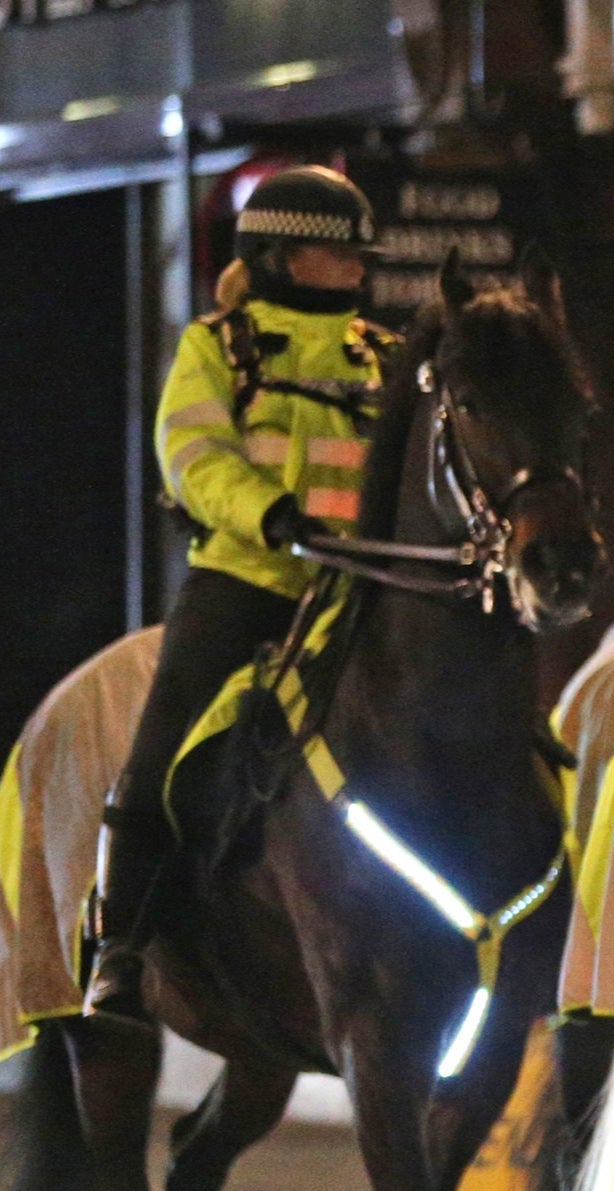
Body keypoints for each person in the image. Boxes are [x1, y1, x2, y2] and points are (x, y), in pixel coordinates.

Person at [86, 165, 393, 1026]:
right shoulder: (215, 348)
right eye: (342, 257)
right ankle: (122, 950)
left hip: (361, 589)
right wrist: (275, 515)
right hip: (248, 582)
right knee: (157, 760)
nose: (360, 270)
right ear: (283, 257)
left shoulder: (388, 354)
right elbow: (192, 456)